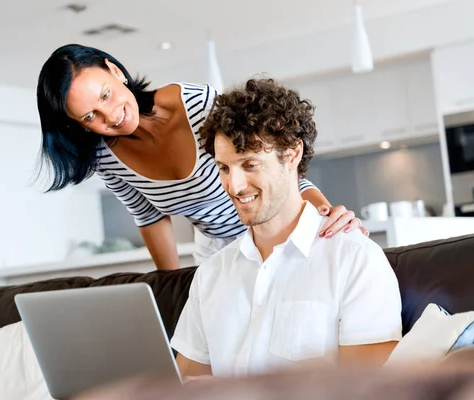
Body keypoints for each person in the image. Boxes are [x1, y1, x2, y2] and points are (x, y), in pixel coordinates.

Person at [36, 44, 367, 270]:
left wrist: (325, 214)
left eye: (106, 95)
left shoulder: (198, 105)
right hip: (215, 250)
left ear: (114, 70)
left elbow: (276, 167)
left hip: (275, 229)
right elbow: (149, 217)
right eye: (90, 116)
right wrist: (172, 287)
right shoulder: (103, 156)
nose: (110, 116)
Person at [171, 78, 403, 378]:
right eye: (224, 168)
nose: (234, 186)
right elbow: (186, 387)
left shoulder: (354, 259)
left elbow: (368, 390)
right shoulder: (211, 274)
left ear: (292, 154)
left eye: (250, 165)